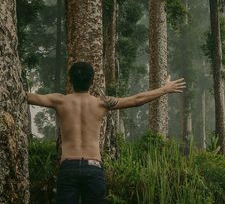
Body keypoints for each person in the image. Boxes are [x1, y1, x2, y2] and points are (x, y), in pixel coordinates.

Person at [27, 61, 186, 204]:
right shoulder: (101, 104)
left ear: (70, 80)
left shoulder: (59, 101)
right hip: (93, 167)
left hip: (69, 167)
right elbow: (137, 100)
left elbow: (28, 97)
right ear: (92, 81)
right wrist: (164, 89)